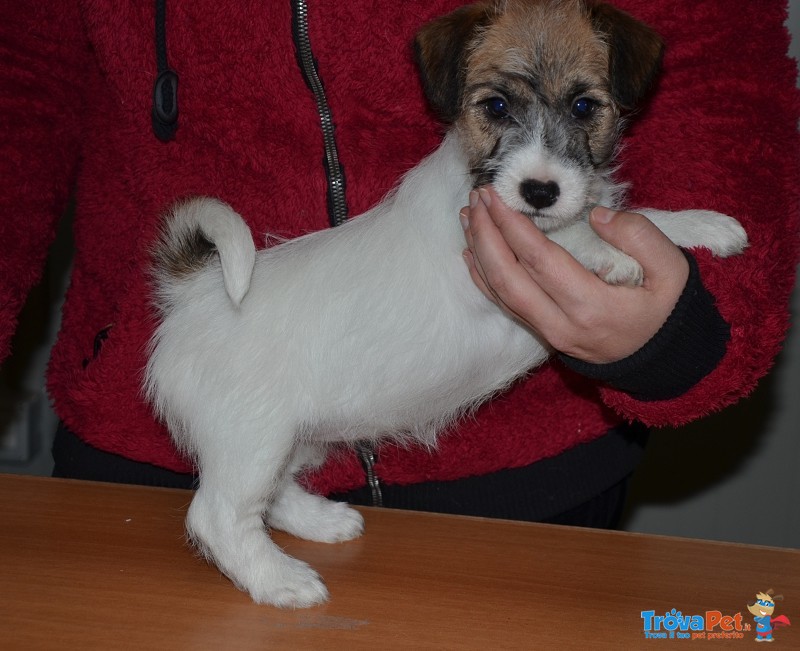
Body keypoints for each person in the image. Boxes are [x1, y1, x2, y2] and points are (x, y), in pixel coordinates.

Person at [2, 0, 798, 529]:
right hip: (148, 436)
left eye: (584, 111)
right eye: (495, 111)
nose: (542, 158)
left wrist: (690, 319)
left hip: (525, 484)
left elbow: (718, 62)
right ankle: (250, 511)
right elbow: (22, 83)